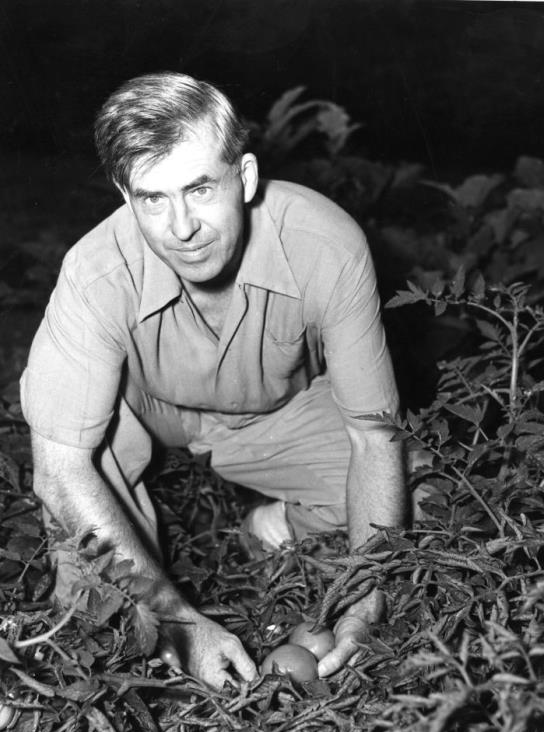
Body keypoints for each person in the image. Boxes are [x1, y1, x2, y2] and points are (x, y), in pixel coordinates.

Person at [20, 72, 406, 690]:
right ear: (125, 196)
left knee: (414, 498)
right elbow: (59, 469)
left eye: (199, 188)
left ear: (245, 178)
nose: (182, 228)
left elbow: (374, 436)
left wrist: (366, 591)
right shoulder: (95, 274)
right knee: (98, 597)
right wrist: (173, 615)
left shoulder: (325, 245)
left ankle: (271, 521)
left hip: (272, 415)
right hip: (145, 409)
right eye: (152, 198)